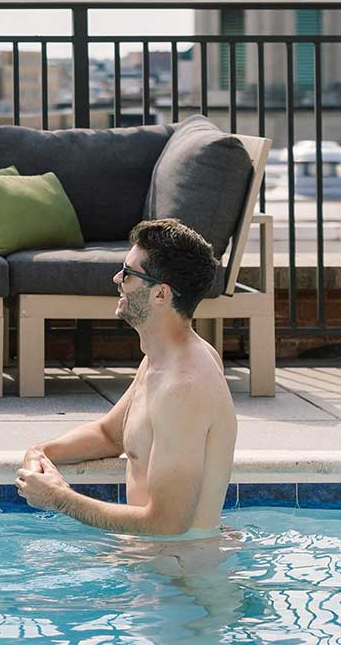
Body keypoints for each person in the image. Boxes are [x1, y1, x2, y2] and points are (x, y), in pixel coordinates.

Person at [13, 218, 236, 537]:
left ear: (161, 294)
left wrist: (62, 500)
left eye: (130, 273)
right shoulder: (159, 359)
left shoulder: (184, 387)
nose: (118, 278)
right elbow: (110, 435)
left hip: (179, 578)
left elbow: (168, 524)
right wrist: (42, 451)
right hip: (151, 566)